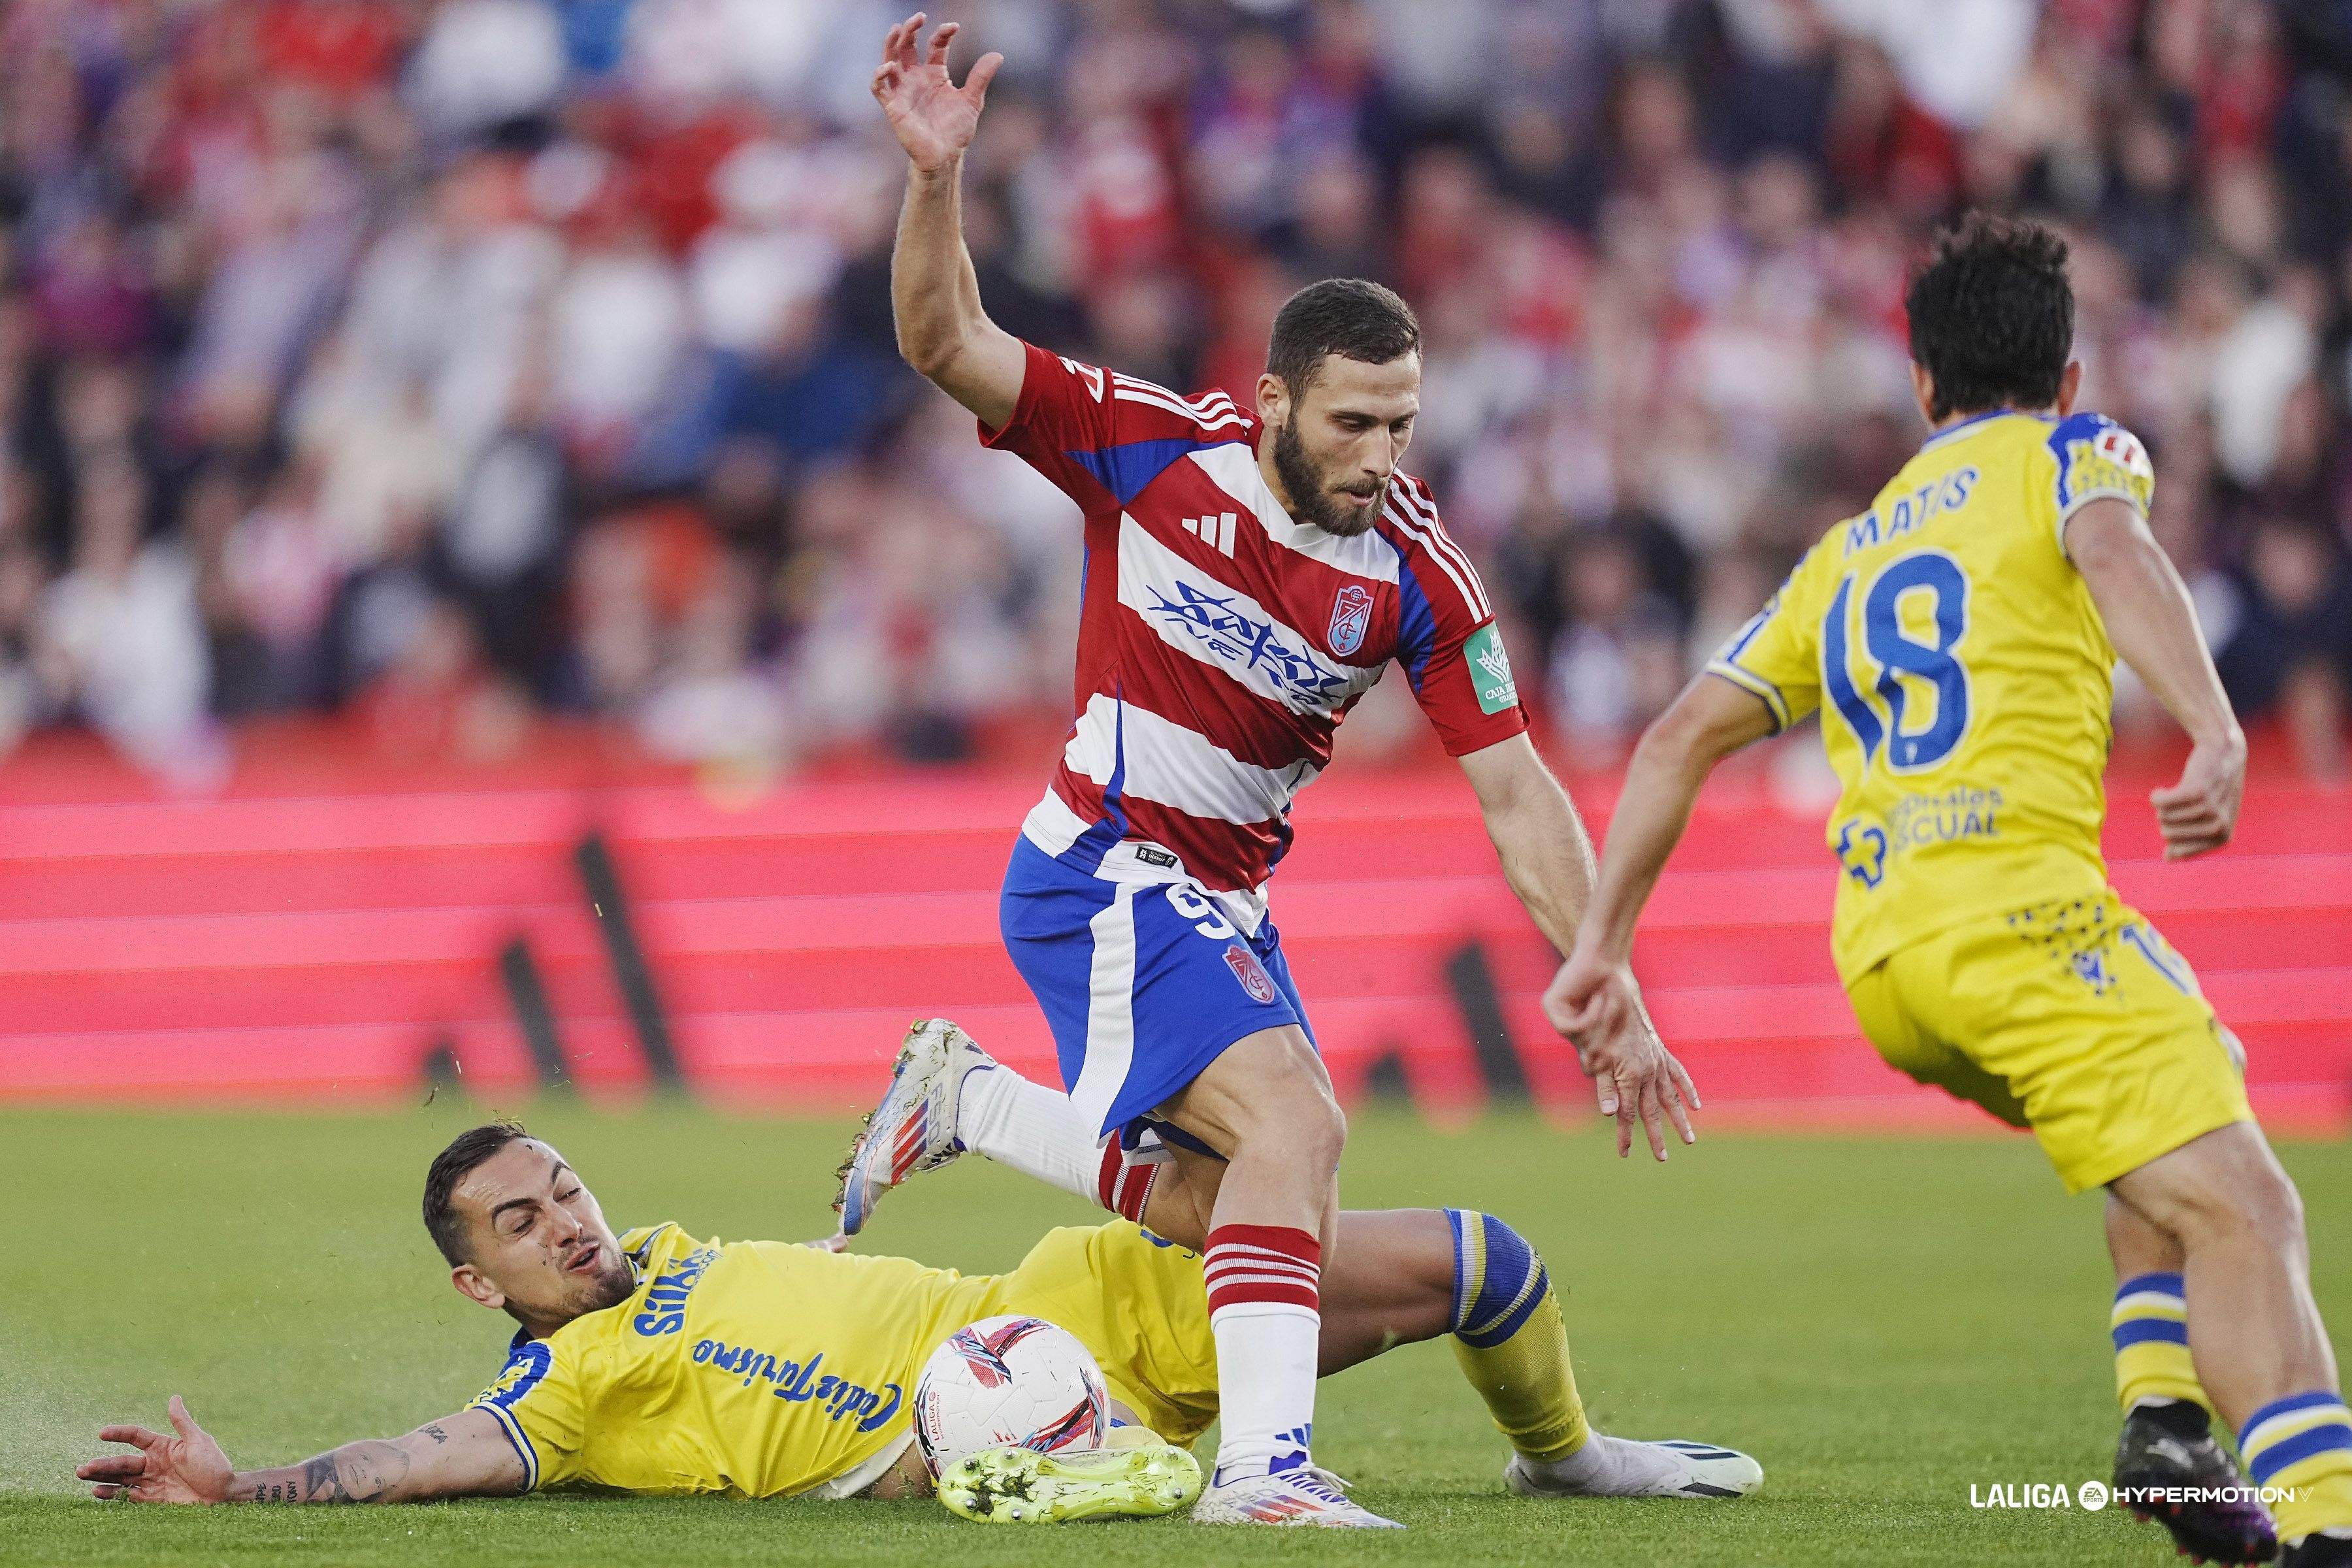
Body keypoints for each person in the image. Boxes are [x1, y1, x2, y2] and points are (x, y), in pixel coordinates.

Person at [858, 14, 1697, 1527]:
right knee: (1302, 1129)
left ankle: (974, 1102)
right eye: (1355, 422)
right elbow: (941, 342)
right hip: (1098, 865)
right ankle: (1266, 1477)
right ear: (1278, 405)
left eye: (1405, 423)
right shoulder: (1151, 451)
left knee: (1240, 1203)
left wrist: (1602, 966)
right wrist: (936, 184)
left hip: (1226, 904)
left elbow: (1513, 788)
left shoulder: (1417, 578)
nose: (1384, 455)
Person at [1548, 213, 2352, 1568]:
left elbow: (1680, 733)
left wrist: (1600, 949)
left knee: (2183, 1077)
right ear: (2071, 378)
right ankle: (2330, 1529)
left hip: (1884, 958)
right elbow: (2116, 550)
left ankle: (2164, 1420)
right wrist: (2213, 725)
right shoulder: (2075, 454)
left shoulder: (1847, 550)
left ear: (1922, 387)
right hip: (2023, 919)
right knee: (2254, 1209)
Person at [76, 1122, 1762, 1522]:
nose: (568, 1223)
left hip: (1067, 1310)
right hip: (1008, 1403)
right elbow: (420, 1454)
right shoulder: (567, 1384)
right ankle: (1034, 1111)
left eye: (564, 1190)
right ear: (479, 1284)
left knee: (1491, 1265)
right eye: (523, 1225)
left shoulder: (660, 1250)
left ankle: (1568, 1461)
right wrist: (259, 1492)